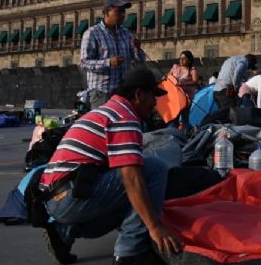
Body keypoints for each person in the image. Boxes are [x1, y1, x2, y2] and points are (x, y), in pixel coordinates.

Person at [38, 67, 180, 264]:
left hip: (54, 199)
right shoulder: (125, 117)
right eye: (153, 96)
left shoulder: (105, 111)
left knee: (132, 202)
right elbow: (131, 179)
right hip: (70, 196)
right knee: (153, 169)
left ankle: (64, 232)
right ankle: (130, 252)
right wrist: (154, 226)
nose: (155, 103)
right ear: (138, 95)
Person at [79, 0, 146, 109]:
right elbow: (84, 63)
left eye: (123, 11)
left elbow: (140, 60)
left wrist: (137, 49)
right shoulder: (92, 33)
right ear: (106, 13)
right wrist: (108, 62)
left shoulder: (126, 34)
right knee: (103, 123)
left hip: (123, 91)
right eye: (118, 11)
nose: (122, 15)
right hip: (102, 92)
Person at [169, 51, 199, 127]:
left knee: (185, 118)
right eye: (180, 58)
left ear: (189, 60)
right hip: (175, 98)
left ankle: (184, 135)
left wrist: (183, 83)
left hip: (186, 98)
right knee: (174, 118)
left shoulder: (192, 70)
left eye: (184, 58)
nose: (181, 60)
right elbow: (168, 77)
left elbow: (195, 82)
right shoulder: (175, 68)